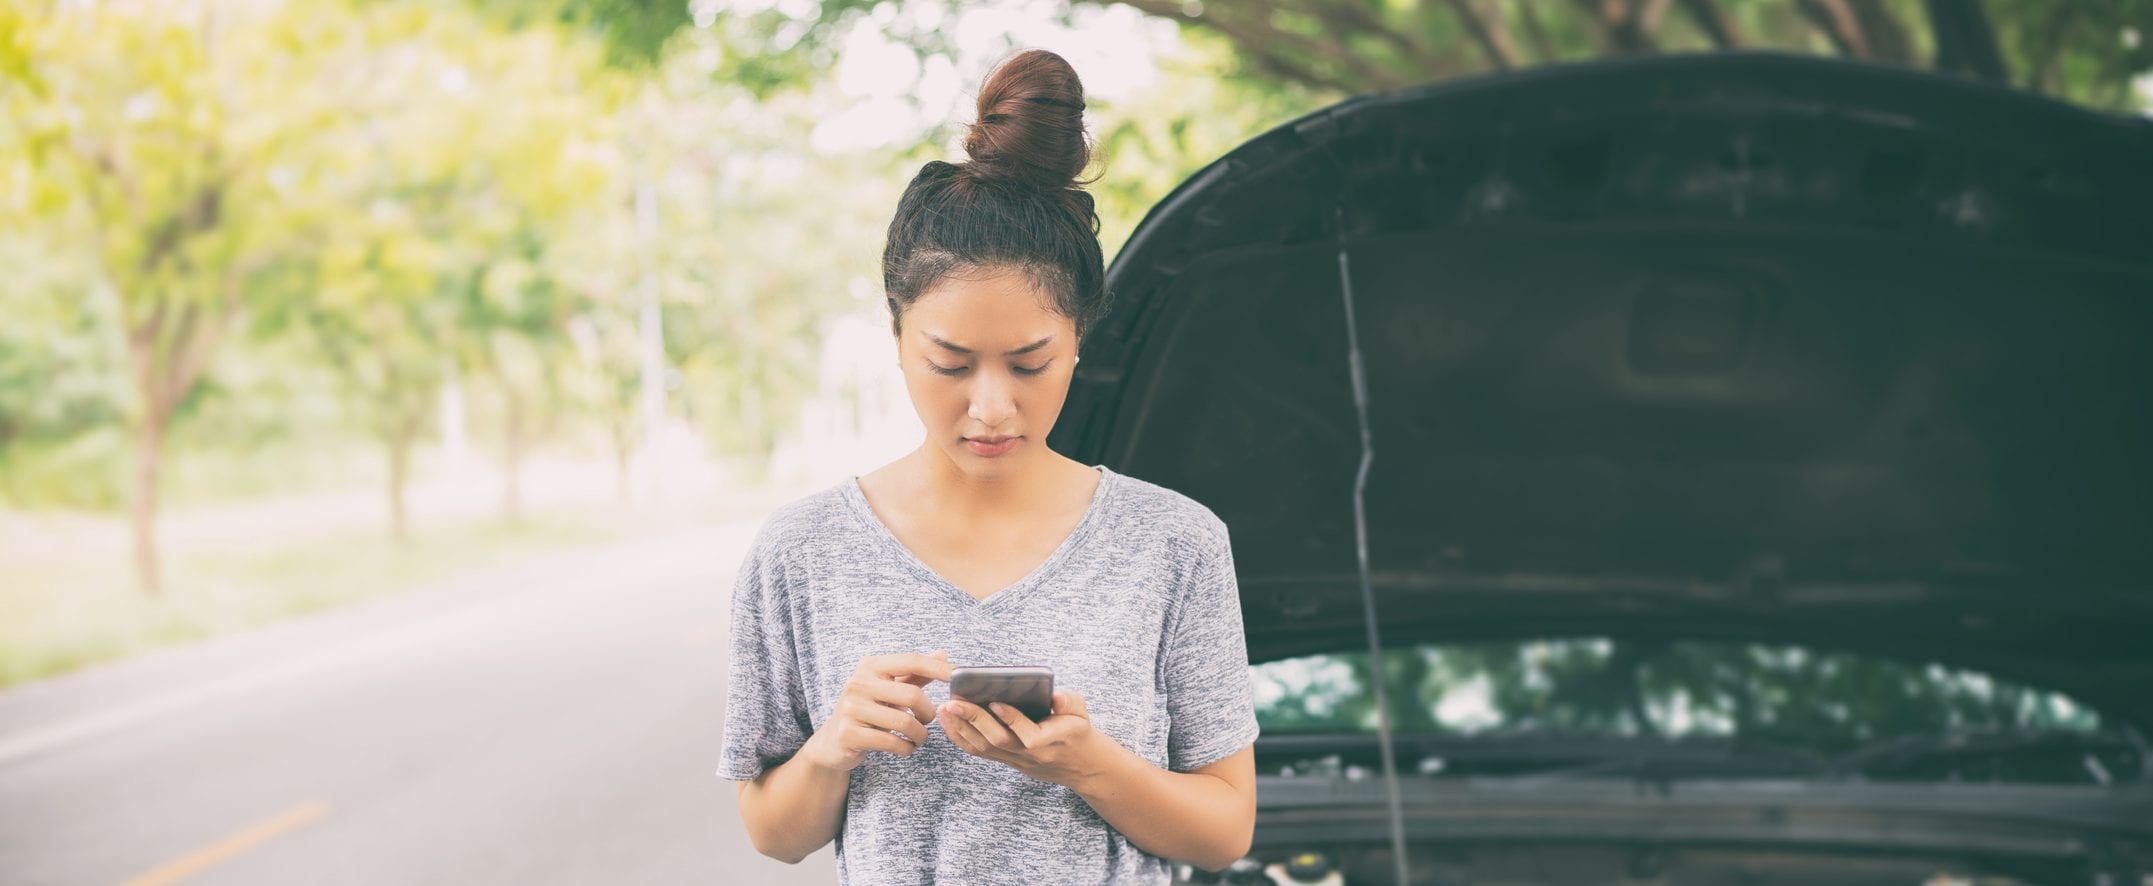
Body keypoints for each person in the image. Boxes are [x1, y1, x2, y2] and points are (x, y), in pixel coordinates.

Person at [717, 47, 1260, 885]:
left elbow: (1225, 829)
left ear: (1080, 340)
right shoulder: (802, 552)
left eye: (1030, 362)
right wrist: (832, 749)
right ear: (896, 338)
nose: (992, 406)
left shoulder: (1174, 543)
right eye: (951, 362)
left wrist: (1087, 764)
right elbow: (773, 832)